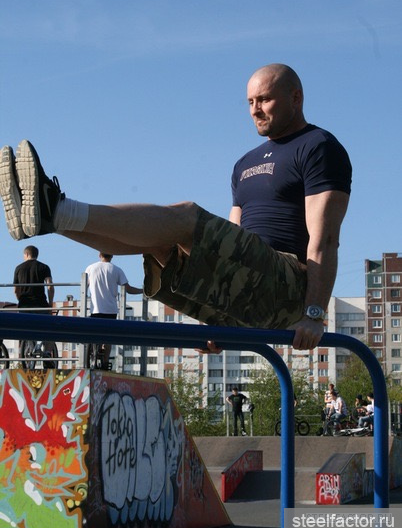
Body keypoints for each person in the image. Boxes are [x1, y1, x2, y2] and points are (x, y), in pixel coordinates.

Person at [0, 63, 352, 352]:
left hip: (290, 288)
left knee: (186, 218)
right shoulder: (244, 164)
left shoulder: (317, 146)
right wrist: (217, 319)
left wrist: (313, 314)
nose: (255, 110)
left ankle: (58, 209)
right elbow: (234, 241)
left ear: (295, 97)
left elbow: (324, 239)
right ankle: (52, 221)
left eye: (265, 100)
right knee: (160, 246)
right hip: (250, 290)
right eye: (250, 102)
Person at [85, 252, 143, 369]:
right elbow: (129, 289)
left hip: (95, 309)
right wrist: (143, 291)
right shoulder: (117, 270)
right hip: (110, 310)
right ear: (112, 256)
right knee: (108, 337)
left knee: (94, 333)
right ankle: (105, 362)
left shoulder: (91, 268)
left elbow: (85, 285)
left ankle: (92, 352)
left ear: (99, 255)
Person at [13, 245, 56, 366]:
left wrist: (20, 300)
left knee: (25, 329)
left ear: (26, 254)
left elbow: (15, 290)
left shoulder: (18, 268)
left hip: (25, 306)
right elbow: (50, 287)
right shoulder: (44, 267)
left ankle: (28, 349)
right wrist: (50, 305)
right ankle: (47, 353)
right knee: (50, 329)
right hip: (41, 305)